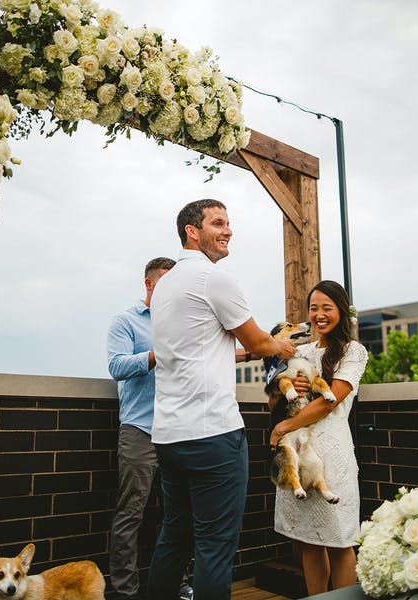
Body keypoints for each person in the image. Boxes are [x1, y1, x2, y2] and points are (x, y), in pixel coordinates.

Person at [148, 199, 297, 600]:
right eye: (218, 223)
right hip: (212, 434)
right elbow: (257, 341)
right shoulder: (214, 279)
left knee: (173, 538)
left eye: (229, 222)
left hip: (168, 435)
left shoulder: (165, 285)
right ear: (191, 232)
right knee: (215, 547)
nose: (228, 230)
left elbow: (198, 347)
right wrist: (281, 346)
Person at [268, 280, 368, 596]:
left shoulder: (354, 351)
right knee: (309, 542)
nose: (319, 315)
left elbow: (332, 400)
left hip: (332, 452)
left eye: (327, 308)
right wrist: (287, 393)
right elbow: (273, 399)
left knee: (339, 540)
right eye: (314, 308)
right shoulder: (301, 351)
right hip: (298, 452)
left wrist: (284, 427)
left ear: (341, 310)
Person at [107, 257, 192, 600]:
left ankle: (180, 584)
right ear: (149, 284)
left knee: (180, 514)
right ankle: (126, 592)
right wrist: (156, 355)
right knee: (131, 512)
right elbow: (116, 365)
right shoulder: (125, 322)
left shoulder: (183, 324)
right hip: (139, 430)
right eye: (167, 285)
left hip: (178, 430)